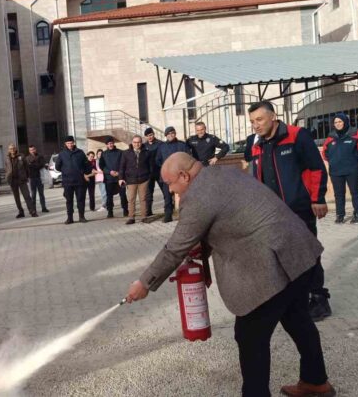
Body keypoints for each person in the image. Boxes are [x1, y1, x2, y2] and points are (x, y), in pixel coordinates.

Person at [125, 153, 334, 397]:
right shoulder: (225, 172)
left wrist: (144, 283)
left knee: (250, 337)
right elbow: (233, 216)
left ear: (184, 176)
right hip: (299, 252)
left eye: (170, 184)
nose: (170, 191)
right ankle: (315, 381)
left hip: (271, 265)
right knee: (297, 318)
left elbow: (175, 249)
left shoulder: (198, 196)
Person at [245, 101, 331, 322]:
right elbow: (255, 178)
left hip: (299, 209)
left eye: (260, 119)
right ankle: (293, 298)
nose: (255, 125)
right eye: (252, 121)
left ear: (273, 117)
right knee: (279, 256)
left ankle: (319, 299)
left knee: (308, 254)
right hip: (271, 215)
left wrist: (318, 198)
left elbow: (316, 168)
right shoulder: (258, 145)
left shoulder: (297, 135)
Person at [322, 113, 358, 224]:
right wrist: (332, 161)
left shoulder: (355, 133)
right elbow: (324, 152)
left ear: (345, 121)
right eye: (336, 122)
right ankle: (340, 215)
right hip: (336, 171)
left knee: (355, 192)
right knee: (339, 194)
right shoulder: (331, 136)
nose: (338, 124)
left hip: (352, 169)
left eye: (340, 121)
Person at [155, 126, 191, 222]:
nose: (171, 135)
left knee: (183, 196)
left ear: (175, 134)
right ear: (166, 135)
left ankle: (184, 215)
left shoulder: (182, 145)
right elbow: (157, 160)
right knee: (167, 196)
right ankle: (168, 215)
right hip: (167, 175)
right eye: (169, 133)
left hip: (180, 176)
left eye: (172, 133)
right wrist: (165, 166)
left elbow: (188, 157)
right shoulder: (162, 147)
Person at [55, 135, 92, 224]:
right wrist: (66, 171)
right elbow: (57, 166)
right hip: (67, 182)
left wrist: (84, 172)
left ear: (74, 143)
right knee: (69, 201)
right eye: (68, 143)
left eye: (71, 143)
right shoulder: (62, 154)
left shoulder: (80, 152)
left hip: (79, 181)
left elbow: (86, 164)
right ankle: (70, 218)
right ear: (65, 144)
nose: (70, 145)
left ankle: (81, 217)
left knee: (81, 199)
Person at [119, 135, 151, 225]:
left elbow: (150, 166)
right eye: (135, 142)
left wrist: (149, 176)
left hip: (143, 179)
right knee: (131, 199)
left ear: (141, 142)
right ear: (132, 143)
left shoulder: (146, 153)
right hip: (131, 180)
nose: (137, 144)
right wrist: (121, 178)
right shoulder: (126, 153)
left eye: (139, 142)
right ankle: (131, 217)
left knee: (143, 199)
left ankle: (144, 217)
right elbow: (122, 166)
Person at [5, 143, 38, 218]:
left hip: (22, 179)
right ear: (9, 150)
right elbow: (7, 169)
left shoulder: (21, 156)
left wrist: (27, 176)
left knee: (27, 196)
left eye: (13, 148)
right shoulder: (7, 158)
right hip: (13, 180)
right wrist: (7, 178)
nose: (12, 150)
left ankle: (32, 211)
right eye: (10, 149)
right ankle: (21, 212)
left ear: (16, 149)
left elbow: (26, 167)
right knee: (16, 198)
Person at [99, 137, 128, 218]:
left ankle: (125, 210)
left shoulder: (120, 152)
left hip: (120, 177)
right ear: (106, 145)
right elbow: (102, 166)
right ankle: (110, 212)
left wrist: (119, 172)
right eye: (108, 144)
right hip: (109, 178)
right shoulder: (104, 154)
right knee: (109, 196)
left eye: (111, 143)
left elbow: (124, 163)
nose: (110, 145)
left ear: (113, 143)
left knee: (123, 195)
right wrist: (109, 172)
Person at [142, 127, 164, 217]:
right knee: (148, 193)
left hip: (159, 171)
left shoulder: (160, 144)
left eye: (150, 135)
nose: (149, 137)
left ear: (153, 134)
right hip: (149, 173)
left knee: (165, 190)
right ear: (146, 137)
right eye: (147, 136)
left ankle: (170, 208)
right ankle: (148, 211)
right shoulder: (144, 146)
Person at [26, 145, 50, 213]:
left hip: (39, 177)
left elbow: (42, 164)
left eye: (33, 149)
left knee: (41, 194)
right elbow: (27, 167)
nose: (32, 151)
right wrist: (36, 165)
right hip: (32, 178)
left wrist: (32, 165)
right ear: (29, 151)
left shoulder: (40, 156)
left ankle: (44, 208)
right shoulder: (27, 158)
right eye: (31, 150)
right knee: (33, 195)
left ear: (35, 149)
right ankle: (34, 209)